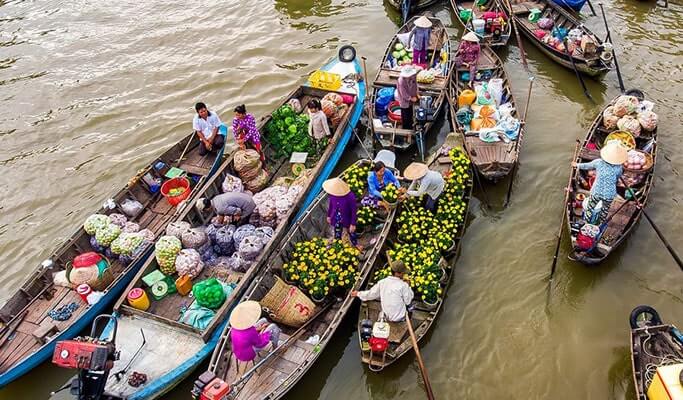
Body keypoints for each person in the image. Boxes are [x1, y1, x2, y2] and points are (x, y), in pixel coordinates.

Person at [573, 141, 627, 225]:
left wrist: (577, 165)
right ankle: (600, 223)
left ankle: (586, 222)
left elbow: (586, 166)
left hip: (596, 192)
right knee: (604, 210)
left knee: (590, 208)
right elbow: (617, 178)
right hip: (609, 194)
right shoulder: (619, 167)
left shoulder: (598, 162)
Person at [323, 178, 359, 248]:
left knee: (351, 232)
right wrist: (329, 215)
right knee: (337, 231)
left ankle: (355, 244)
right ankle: (338, 244)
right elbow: (331, 205)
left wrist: (353, 223)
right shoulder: (332, 194)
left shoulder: (350, 196)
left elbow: (354, 210)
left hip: (347, 217)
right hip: (336, 216)